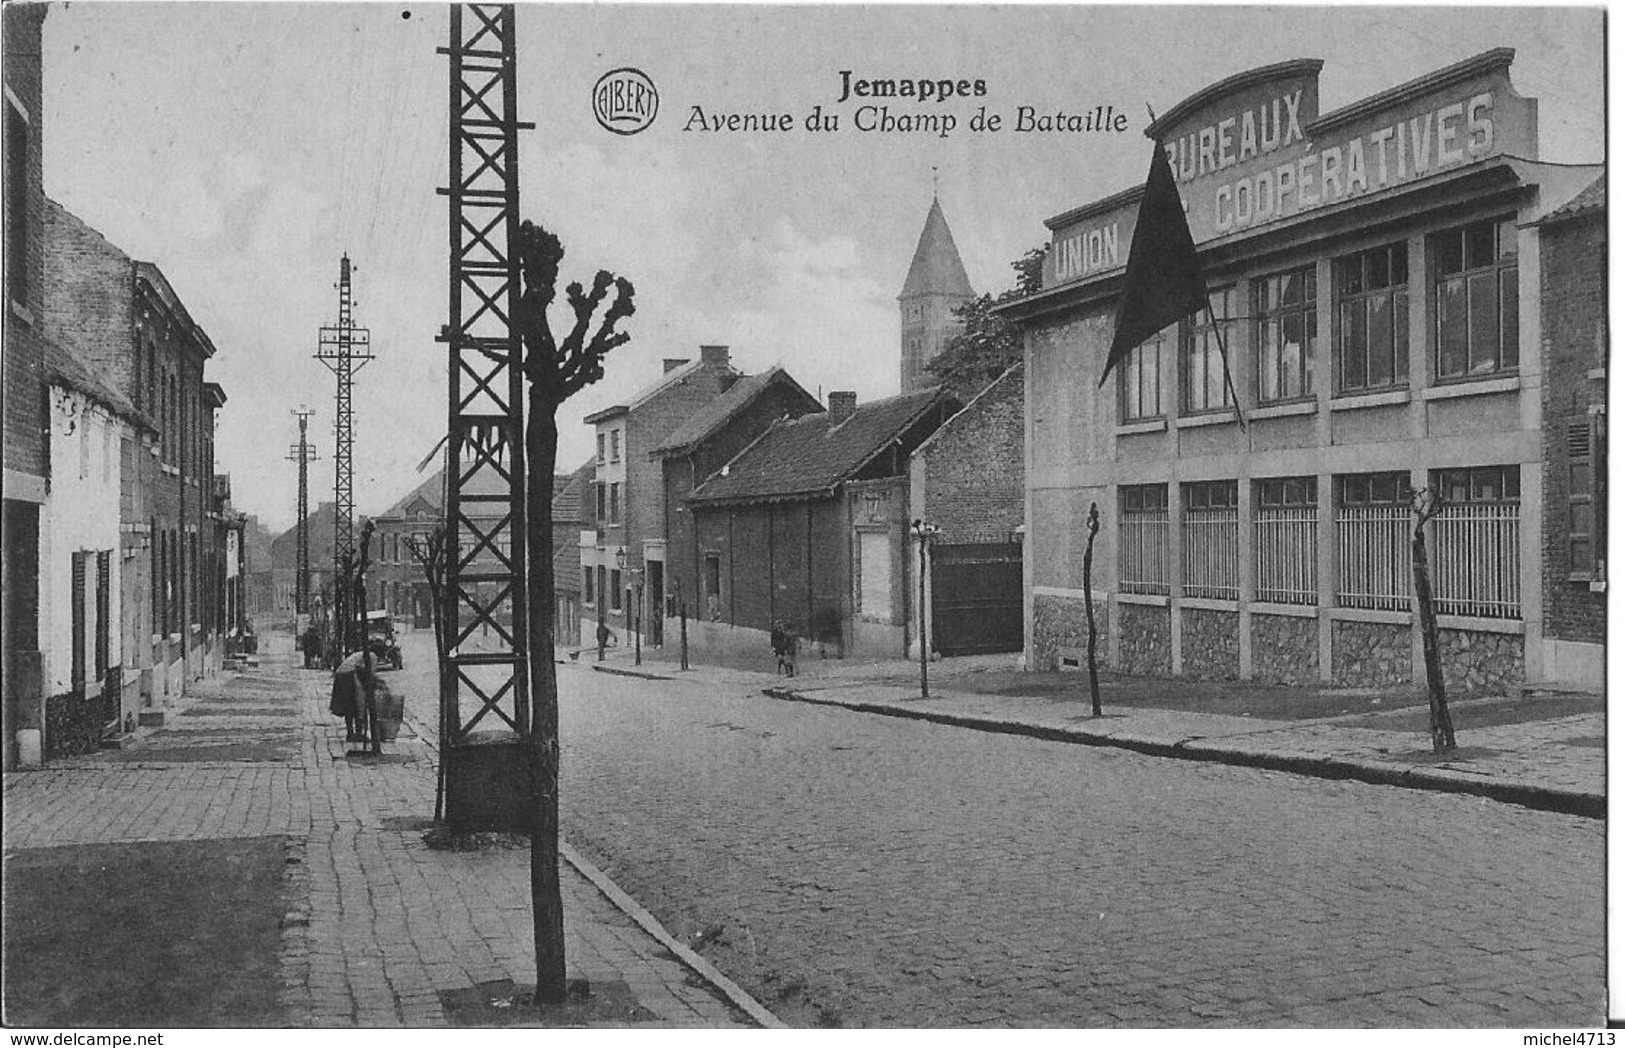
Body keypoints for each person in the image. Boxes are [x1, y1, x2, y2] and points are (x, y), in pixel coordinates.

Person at [329, 649, 377, 749]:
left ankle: (351, 732)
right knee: (357, 704)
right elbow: (371, 675)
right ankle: (358, 734)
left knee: (349, 705)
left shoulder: (362, 654)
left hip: (341, 674)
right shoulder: (373, 657)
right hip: (349, 675)